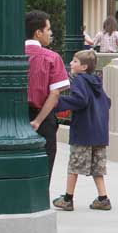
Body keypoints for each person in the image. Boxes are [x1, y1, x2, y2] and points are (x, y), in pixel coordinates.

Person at [51, 50, 112, 212]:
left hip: (84, 131)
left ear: (84, 67)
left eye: (75, 61)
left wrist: (58, 101)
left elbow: (80, 100)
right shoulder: (96, 82)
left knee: (74, 166)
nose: (71, 63)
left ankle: (67, 199)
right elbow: (107, 102)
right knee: (97, 167)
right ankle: (103, 198)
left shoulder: (79, 80)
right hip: (99, 133)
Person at [26, 10, 71, 184]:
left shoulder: (14, 55)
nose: (50, 33)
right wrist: (38, 121)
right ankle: (40, 196)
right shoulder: (52, 58)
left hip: (15, 118)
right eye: (48, 29)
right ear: (38, 32)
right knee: (45, 161)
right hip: (42, 120)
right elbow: (54, 93)